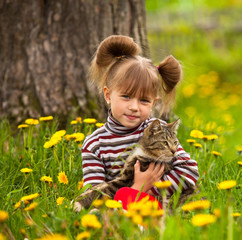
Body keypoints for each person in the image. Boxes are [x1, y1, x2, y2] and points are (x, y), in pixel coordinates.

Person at [81, 35, 199, 209]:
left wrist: (154, 190)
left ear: (154, 103)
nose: (134, 107)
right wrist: (137, 189)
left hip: (159, 209)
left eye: (144, 100)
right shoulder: (94, 144)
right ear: (108, 95)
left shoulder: (158, 131)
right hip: (119, 210)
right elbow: (93, 195)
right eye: (126, 97)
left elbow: (189, 170)